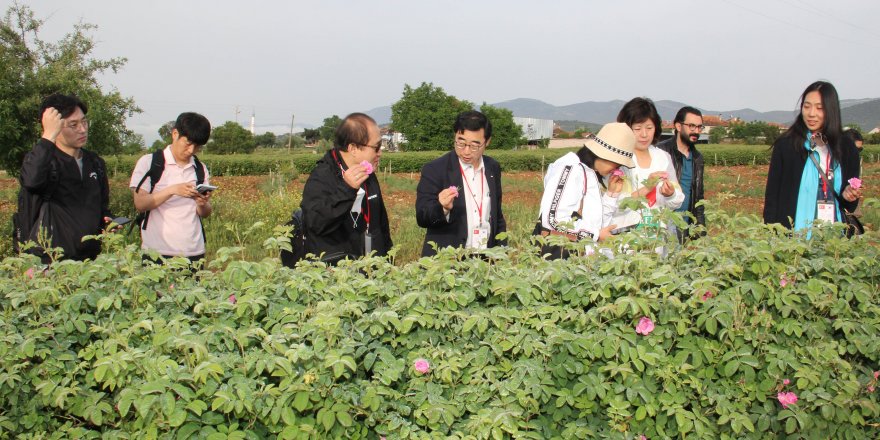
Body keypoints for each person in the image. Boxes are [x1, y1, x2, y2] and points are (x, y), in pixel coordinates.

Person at [13, 93, 113, 263]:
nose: (82, 129)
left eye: (84, 122)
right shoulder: (44, 161)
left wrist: (108, 222)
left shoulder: (94, 162)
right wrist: (48, 136)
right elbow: (31, 181)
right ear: (56, 127)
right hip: (49, 262)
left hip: (89, 261)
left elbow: (102, 205)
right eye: (73, 125)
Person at [763, 81, 861, 233]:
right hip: (793, 238)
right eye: (807, 106)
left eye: (819, 108)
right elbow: (772, 196)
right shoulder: (786, 145)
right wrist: (771, 233)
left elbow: (849, 204)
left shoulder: (847, 147)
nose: (811, 113)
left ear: (831, 110)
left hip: (833, 239)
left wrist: (849, 195)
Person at [300, 113, 392, 264]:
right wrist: (347, 189)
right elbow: (316, 223)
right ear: (353, 148)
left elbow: (381, 226)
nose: (380, 153)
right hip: (337, 275)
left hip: (371, 271)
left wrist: (388, 263)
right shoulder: (322, 177)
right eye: (376, 147)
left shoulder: (368, 174)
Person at [536, 122, 634, 259]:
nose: (617, 168)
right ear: (603, 154)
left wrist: (612, 195)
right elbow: (552, 220)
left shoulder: (589, 173)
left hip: (579, 257)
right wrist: (596, 235)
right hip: (560, 256)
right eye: (617, 163)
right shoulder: (570, 169)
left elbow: (595, 222)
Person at [415, 110, 507, 257]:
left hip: (485, 259)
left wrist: (502, 252)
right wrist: (442, 208)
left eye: (474, 145)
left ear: (487, 141)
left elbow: (496, 214)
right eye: (461, 143)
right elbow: (422, 217)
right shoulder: (435, 169)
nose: (466, 151)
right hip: (448, 261)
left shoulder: (492, 167)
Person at [130, 112, 213, 264]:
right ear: (175, 134)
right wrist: (172, 190)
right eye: (188, 144)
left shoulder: (199, 168)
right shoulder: (150, 163)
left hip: (194, 252)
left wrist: (202, 204)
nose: (191, 151)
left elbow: (205, 213)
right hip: (157, 253)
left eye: (197, 147)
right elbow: (140, 204)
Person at [611, 98, 684, 232]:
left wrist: (670, 194)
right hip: (625, 237)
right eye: (637, 128)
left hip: (657, 236)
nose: (644, 134)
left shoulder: (663, 158)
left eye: (649, 128)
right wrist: (647, 187)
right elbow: (612, 205)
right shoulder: (618, 160)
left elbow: (676, 200)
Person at [657, 106, 706, 241]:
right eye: (691, 126)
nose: (696, 131)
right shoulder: (660, 152)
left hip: (685, 225)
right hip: (662, 224)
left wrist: (700, 232)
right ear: (678, 126)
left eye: (699, 127)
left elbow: (698, 198)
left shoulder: (697, 158)